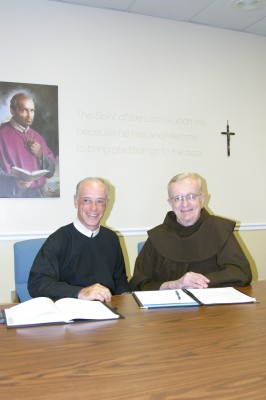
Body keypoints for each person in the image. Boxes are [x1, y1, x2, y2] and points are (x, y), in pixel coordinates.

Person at [130, 172, 252, 291]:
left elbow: (241, 273)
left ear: (202, 199)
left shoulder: (220, 230)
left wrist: (199, 282)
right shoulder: (157, 237)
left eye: (191, 196)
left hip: (214, 308)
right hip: (169, 309)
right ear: (170, 203)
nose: (185, 204)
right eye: (177, 198)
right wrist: (174, 285)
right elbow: (139, 282)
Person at [28, 177, 130, 301]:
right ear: (76, 202)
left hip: (109, 309)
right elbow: (37, 283)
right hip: (71, 313)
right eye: (87, 200)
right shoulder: (59, 239)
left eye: (100, 201)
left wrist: (126, 296)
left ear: (106, 205)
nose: (94, 208)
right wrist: (80, 292)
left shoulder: (112, 238)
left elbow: (119, 279)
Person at [0, 92, 56, 197]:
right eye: (24, 110)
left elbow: (51, 172)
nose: (29, 115)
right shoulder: (2, 134)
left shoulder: (37, 136)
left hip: (38, 195)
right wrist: (14, 181)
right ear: (12, 111)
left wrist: (40, 155)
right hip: (11, 196)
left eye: (32, 110)